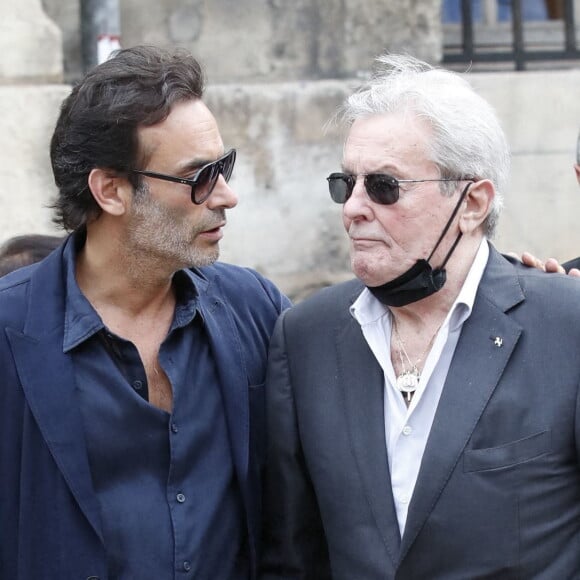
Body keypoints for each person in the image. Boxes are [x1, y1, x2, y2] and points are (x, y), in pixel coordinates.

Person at [260, 53, 580, 579]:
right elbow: (294, 555)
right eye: (346, 184)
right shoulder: (306, 335)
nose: (353, 208)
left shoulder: (565, 325)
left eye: (384, 187)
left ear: (473, 202)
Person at [0, 45, 290, 580]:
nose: (226, 195)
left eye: (223, 167)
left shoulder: (256, 309)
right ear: (110, 190)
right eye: (198, 175)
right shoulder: (10, 334)